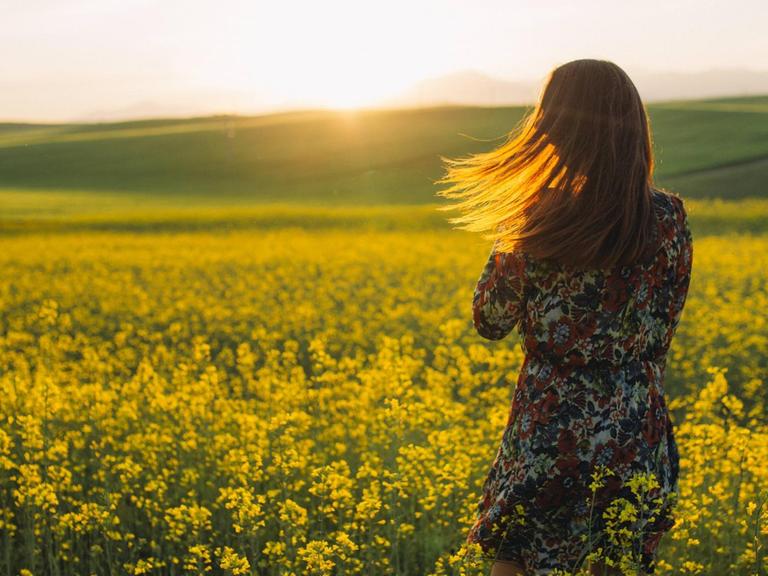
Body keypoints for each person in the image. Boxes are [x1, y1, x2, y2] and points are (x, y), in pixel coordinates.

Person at [434, 59, 693, 575]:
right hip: (632, 418)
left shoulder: (539, 219)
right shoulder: (667, 219)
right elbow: (665, 323)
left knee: (516, 552)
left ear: (556, 131)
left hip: (550, 420)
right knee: (616, 556)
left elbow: (490, 319)